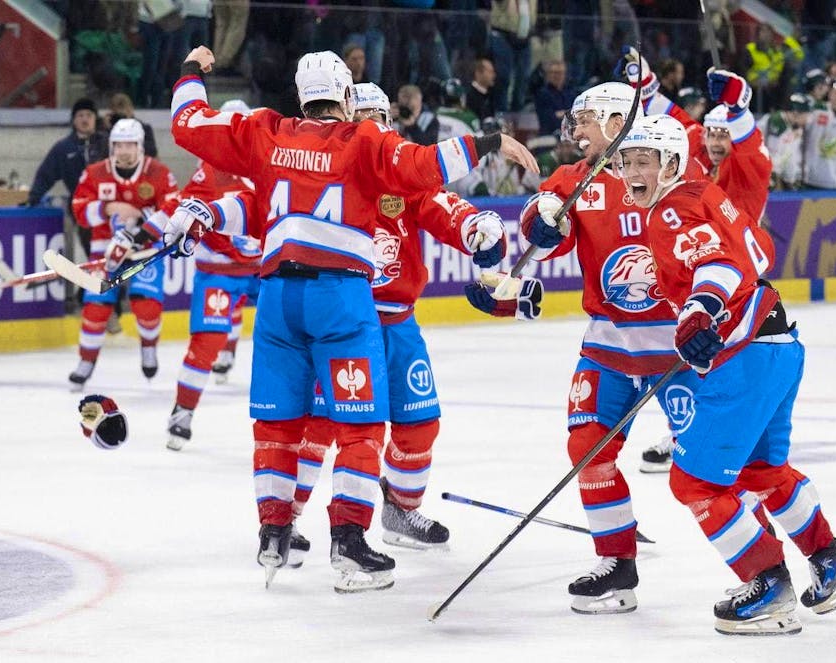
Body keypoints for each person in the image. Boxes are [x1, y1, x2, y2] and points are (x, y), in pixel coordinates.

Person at [163, 46, 537, 592]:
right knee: (352, 426)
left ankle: (280, 529)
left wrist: (192, 73)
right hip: (344, 304)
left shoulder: (272, 133)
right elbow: (425, 164)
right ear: (346, 101)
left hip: (291, 302)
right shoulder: (369, 149)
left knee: (288, 423)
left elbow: (191, 127)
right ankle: (348, 542)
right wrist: (486, 141)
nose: (378, 126)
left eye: (383, 118)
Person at [614, 112, 836, 635]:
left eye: (643, 160)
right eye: (626, 161)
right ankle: (833, 562)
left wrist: (698, 311)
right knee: (762, 473)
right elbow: (749, 253)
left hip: (745, 353)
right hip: (778, 344)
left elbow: (718, 265)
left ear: (669, 162)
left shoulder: (670, 211)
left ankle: (768, 585)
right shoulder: (704, 192)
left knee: (695, 483)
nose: (630, 171)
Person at [466, 82, 705, 615]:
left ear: (619, 120)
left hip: (677, 346)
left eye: (587, 120)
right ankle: (617, 562)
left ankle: (773, 564)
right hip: (608, 343)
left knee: (715, 468)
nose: (576, 130)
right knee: (587, 449)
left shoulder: (667, 174)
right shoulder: (574, 180)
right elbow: (547, 233)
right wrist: (540, 221)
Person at [290, 82, 512, 552]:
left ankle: (401, 510)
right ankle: (284, 519)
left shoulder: (404, 176)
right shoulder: (326, 175)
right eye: (363, 117)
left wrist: (479, 227)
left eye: (380, 117)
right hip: (344, 327)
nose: (374, 127)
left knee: (419, 422)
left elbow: (443, 207)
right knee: (325, 424)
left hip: (398, 325)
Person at [617, 48, 776, 470]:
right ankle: (690, 429)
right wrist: (646, 82)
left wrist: (738, 104)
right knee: (698, 355)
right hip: (698, 272)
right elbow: (676, 125)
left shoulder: (748, 167)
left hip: (734, 278)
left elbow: (750, 144)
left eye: (725, 135)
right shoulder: (695, 152)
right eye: (712, 134)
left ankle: (712, 435)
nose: (717, 142)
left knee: (724, 364)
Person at [163, 99, 261, 451]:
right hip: (219, 273)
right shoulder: (210, 169)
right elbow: (177, 207)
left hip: (267, 269)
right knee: (206, 343)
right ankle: (183, 411)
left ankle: (313, 424)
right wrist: (148, 234)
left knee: (303, 334)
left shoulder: (273, 163)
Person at [68, 118, 180, 388]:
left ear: (140, 146)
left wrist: (141, 219)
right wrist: (107, 208)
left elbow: (174, 206)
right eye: (119, 145)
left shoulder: (159, 173)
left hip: (145, 250)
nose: (124, 151)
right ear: (111, 147)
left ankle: (149, 347)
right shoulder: (95, 173)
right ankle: (86, 362)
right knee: (95, 308)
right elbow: (79, 209)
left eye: (130, 144)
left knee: (146, 304)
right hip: (104, 250)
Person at [27, 98, 109, 255]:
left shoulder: (107, 143)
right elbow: (46, 173)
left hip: (108, 206)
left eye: (89, 115)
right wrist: (34, 197)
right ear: (73, 120)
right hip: (81, 207)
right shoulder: (64, 148)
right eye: (80, 115)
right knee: (90, 250)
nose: (85, 119)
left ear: (95, 119)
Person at [759, 93, 812, 191]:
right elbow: (772, 155)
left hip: (778, 175)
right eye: (805, 115)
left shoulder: (795, 127)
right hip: (763, 175)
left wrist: (793, 177)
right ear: (795, 113)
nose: (807, 119)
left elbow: (790, 155)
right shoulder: (776, 123)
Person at [106, 92, 159, 157]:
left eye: (123, 113)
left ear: (131, 110)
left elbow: (151, 152)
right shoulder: (107, 129)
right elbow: (104, 151)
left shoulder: (144, 129)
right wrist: (108, 128)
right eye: (118, 114)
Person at [534, 59, 576, 136]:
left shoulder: (571, 93)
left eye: (560, 73)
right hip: (549, 134)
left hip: (570, 134)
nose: (557, 76)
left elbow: (575, 115)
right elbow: (546, 119)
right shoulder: (542, 93)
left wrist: (561, 114)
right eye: (554, 73)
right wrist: (566, 114)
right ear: (548, 75)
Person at [466, 56, 498, 122]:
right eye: (490, 72)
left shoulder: (491, 95)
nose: (494, 75)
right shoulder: (469, 95)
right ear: (478, 73)